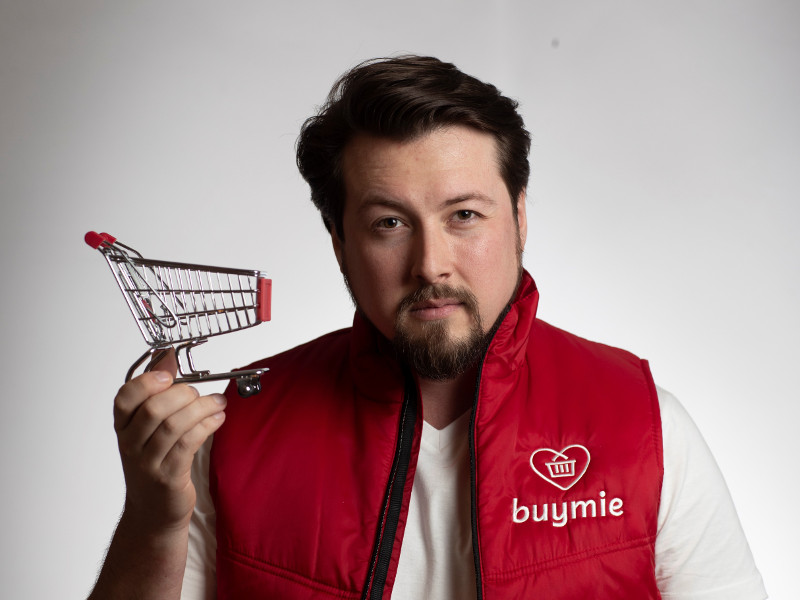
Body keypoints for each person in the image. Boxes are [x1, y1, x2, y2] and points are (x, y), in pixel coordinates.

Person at [89, 56, 767, 599]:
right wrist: (154, 519)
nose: (431, 264)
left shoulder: (643, 422)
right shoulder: (233, 432)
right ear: (338, 240)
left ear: (520, 218)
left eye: (464, 215)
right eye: (389, 223)